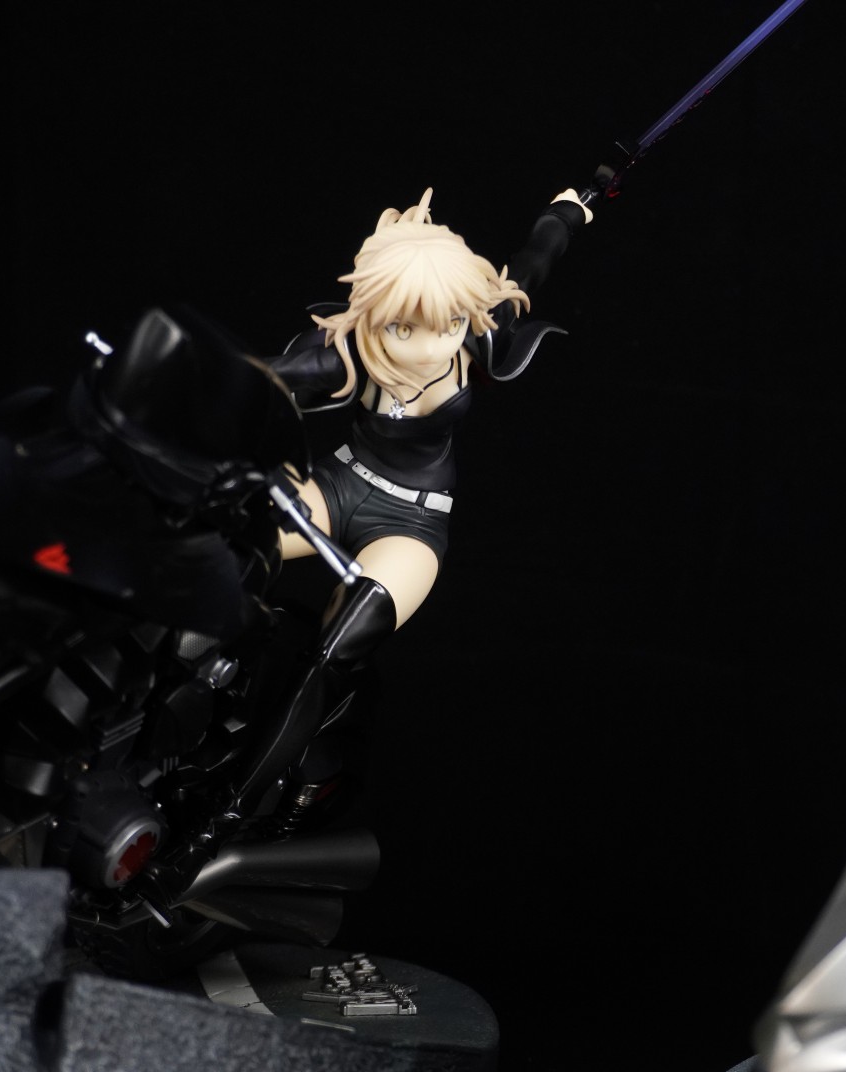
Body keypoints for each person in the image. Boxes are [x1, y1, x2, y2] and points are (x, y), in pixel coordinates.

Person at [234, 186, 591, 804]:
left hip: (411, 520)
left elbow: (532, 264)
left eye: (448, 324)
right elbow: (256, 378)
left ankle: (225, 815)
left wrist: (565, 211)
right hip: (338, 484)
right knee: (223, 542)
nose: (430, 348)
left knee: (337, 649)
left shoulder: (476, 334)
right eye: (404, 327)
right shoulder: (353, 353)